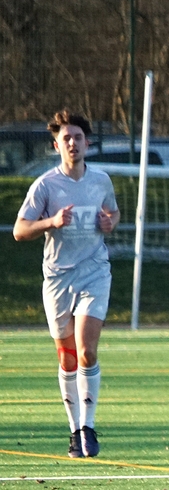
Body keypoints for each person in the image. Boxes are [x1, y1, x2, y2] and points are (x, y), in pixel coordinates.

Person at [13, 109, 120, 459]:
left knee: (87, 349)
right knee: (68, 356)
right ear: (56, 145)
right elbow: (20, 230)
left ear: (87, 143)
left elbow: (113, 212)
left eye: (78, 137)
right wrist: (51, 222)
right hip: (58, 278)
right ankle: (74, 430)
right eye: (66, 138)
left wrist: (110, 222)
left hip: (94, 272)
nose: (72, 143)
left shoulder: (101, 180)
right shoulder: (45, 185)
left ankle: (88, 426)